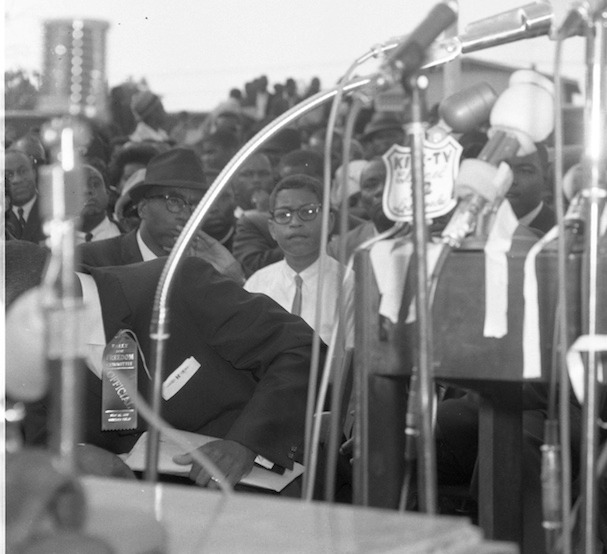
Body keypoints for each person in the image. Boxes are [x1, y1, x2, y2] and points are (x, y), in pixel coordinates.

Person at [6, 240, 315, 489]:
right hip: (145, 511)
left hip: (264, 485)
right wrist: (75, 454)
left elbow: (300, 348)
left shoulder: (174, 285)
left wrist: (245, 444)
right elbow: (33, 439)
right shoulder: (30, 358)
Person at [76, 147, 243, 283]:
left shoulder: (212, 267)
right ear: (142, 208)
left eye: (197, 205)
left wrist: (233, 279)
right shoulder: (93, 261)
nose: (186, 215)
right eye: (174, 201)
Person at [243, 175, 350, 342]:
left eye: (307, 212)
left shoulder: (348, 284)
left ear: (329, 222)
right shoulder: (256, 285)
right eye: (284, 214)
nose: (294, 222)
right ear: (272, 228)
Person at [5, 148, 46, 243]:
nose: (17, 180)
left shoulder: (52, 209)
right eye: (8, 175)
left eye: (23, 171)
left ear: (34, 172)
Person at [76, 164, 121, 243]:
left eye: (95, 184)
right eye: (78, 186)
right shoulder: (53, 243)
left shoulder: (127, 238)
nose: (87, 190)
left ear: (108, 194)